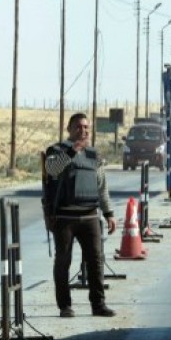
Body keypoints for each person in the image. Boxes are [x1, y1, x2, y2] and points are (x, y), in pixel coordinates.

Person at [44, 113, 117, 318]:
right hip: (64, 218)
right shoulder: (56, 151)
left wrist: (109, 213)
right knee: (63, 261)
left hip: (90, 217)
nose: (83, 131)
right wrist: (71, 151)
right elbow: (51, 170)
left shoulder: (94, 155)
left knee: (96, 261)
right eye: (78, 127)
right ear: (69, 129)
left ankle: (98, 304)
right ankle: (65, 306)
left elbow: (102, 188)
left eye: (86, 127)